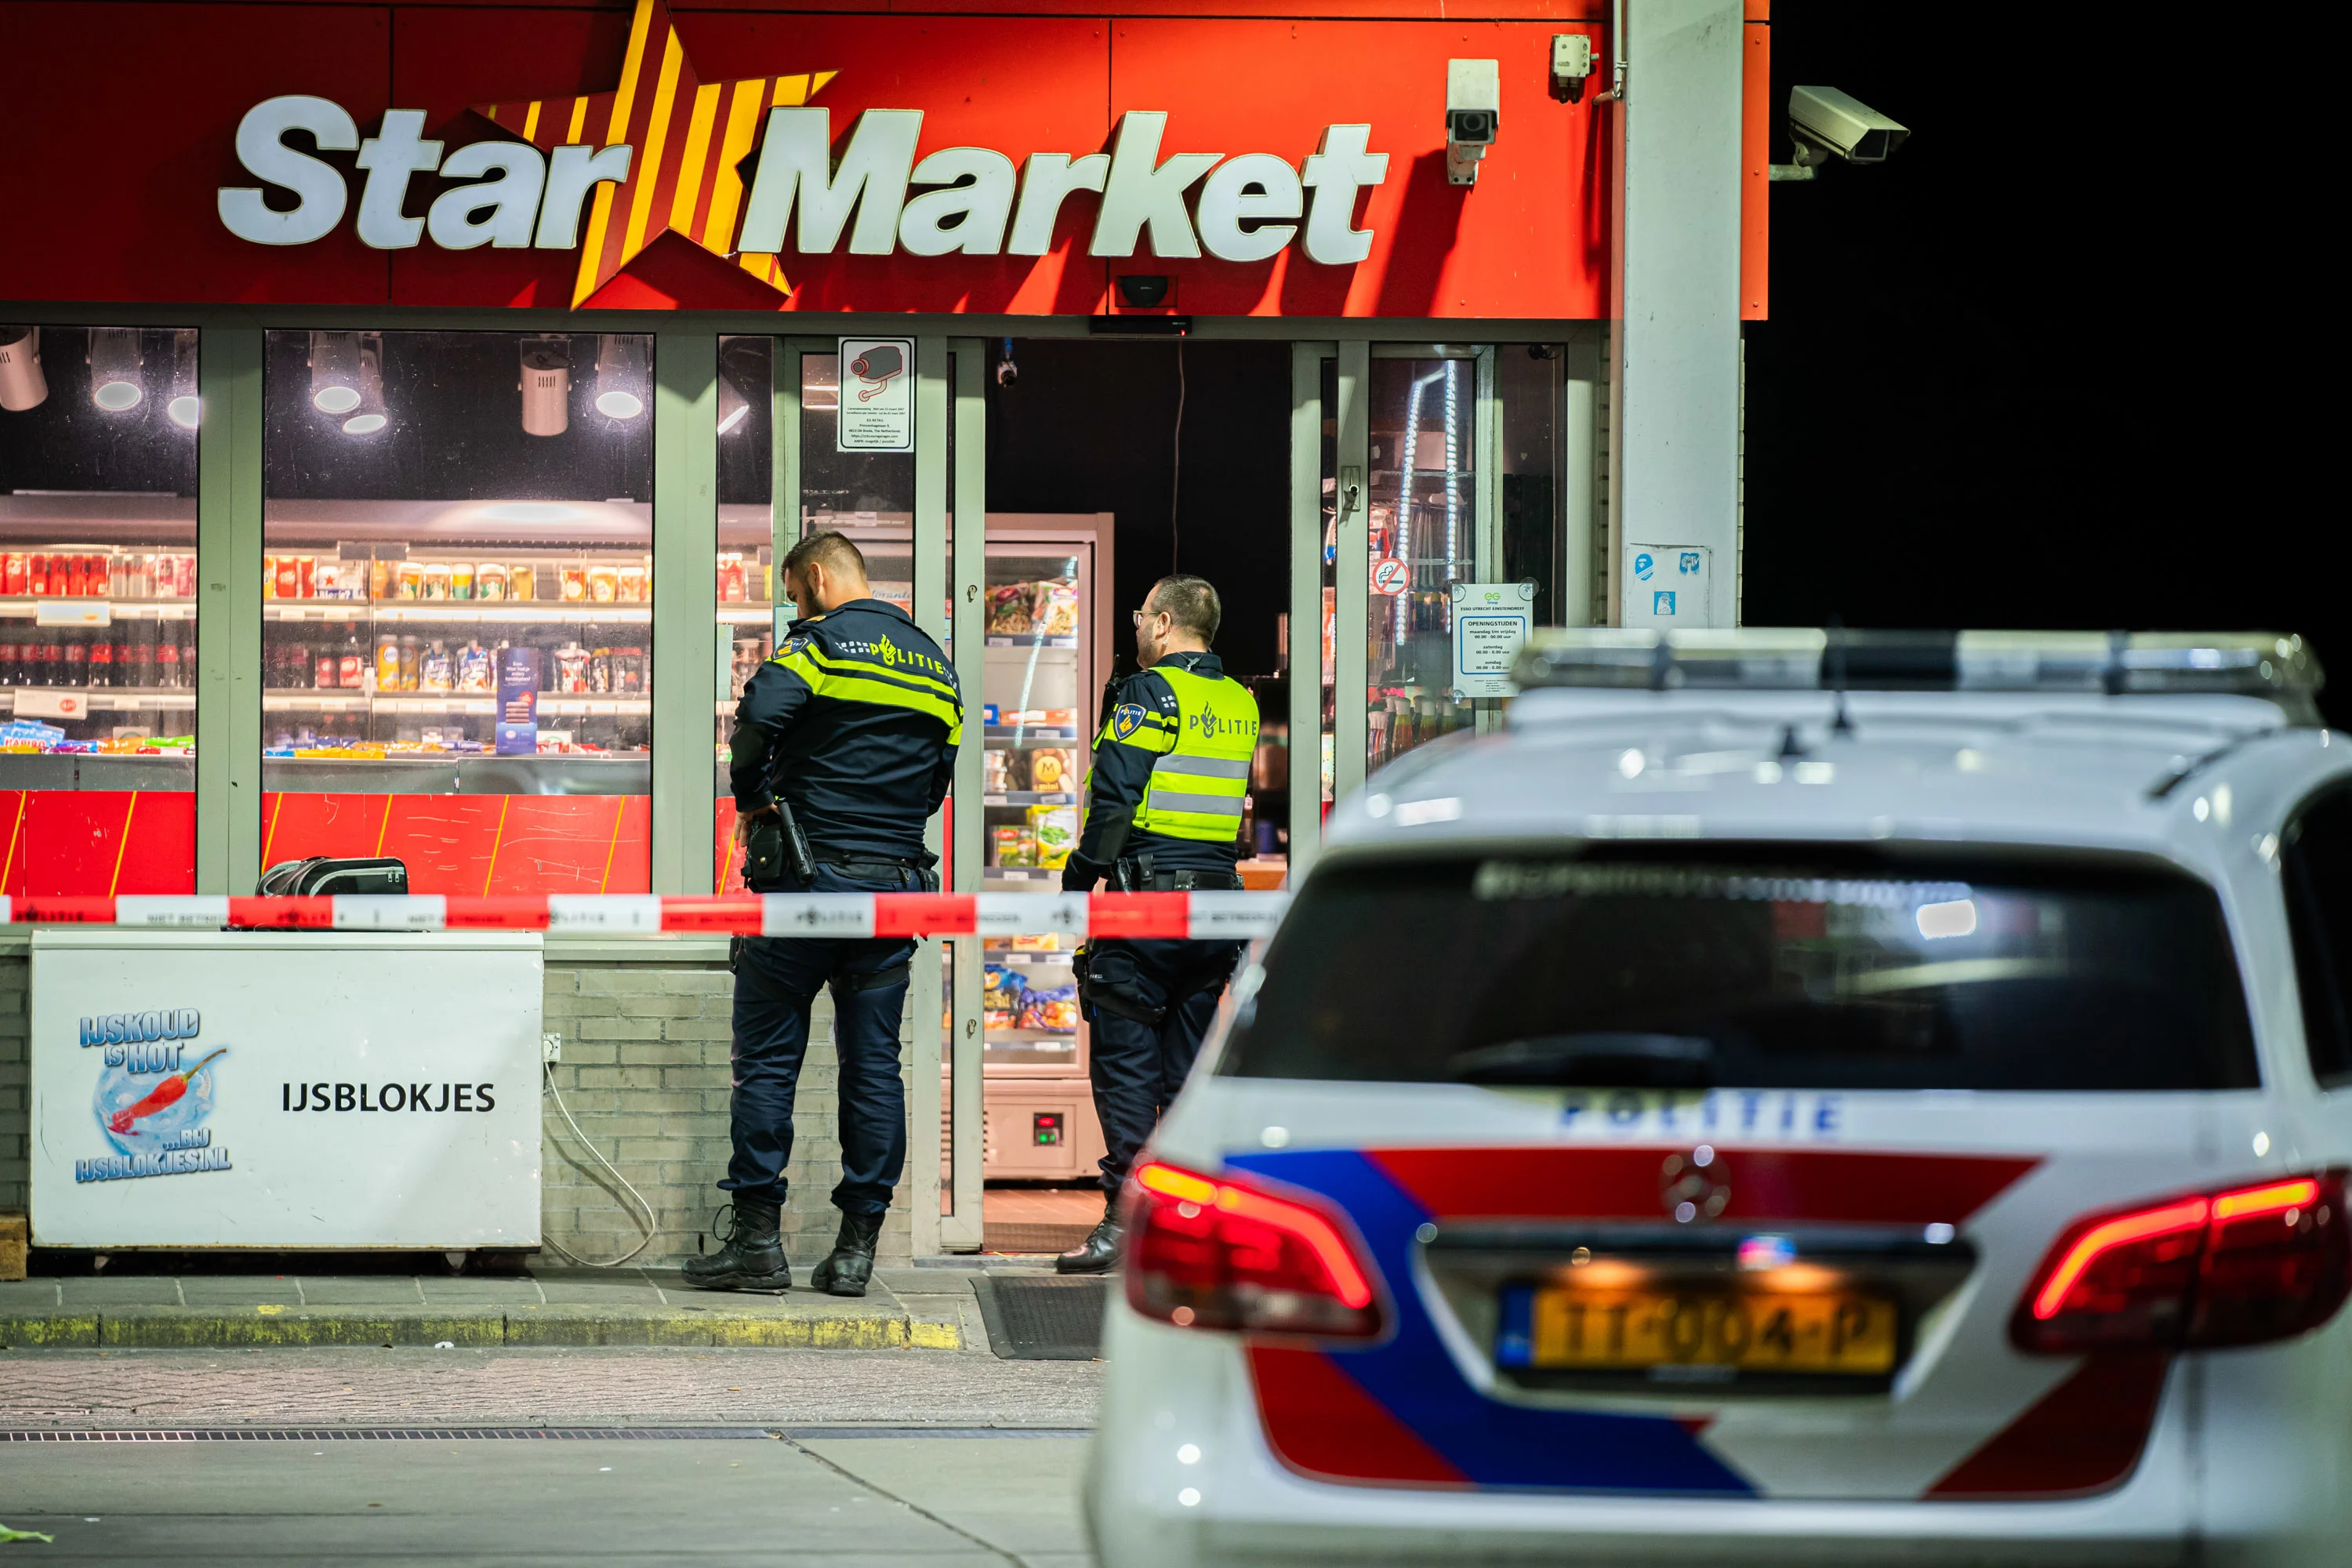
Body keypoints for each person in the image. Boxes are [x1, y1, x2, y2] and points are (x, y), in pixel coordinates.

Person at [684, 530, 960, 1298]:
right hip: (895, 887)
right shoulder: (937, 665)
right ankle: (854, 1251)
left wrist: (755, 801)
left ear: (814, 577)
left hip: (806, 885)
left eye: (793, 594)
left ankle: (758, 1244)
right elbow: (941, 775)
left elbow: (757, 717)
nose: (794, 607)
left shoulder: (821, 646)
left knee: (769, 1055)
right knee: (874, 1065)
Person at [1055, 574, 1258, 1274]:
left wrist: (1080, 879)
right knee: (1184, 1074)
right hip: (1215, 908)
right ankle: (1182, 1223)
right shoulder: (1240, 701)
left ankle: (1124, 1221)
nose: (1137, 627)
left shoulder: (1150, 694)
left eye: (1142, 616)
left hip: (1145, 907)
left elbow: (1114, 799)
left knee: (1126, 1067)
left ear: (1166, 624)